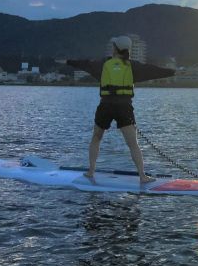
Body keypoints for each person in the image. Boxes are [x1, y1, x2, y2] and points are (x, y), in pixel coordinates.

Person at [67, 36, 175, 185]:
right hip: (124, 108)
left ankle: (91, 171)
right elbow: (154, 70)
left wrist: (68, 61)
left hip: (105, 106)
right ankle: (142, 176)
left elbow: (84, 64)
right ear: (128, 50)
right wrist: (172, 72)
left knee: (96, 138)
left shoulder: (103, 64)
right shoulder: (133, 66)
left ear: (114, 48)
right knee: (133, 143)